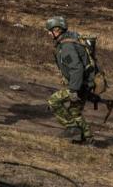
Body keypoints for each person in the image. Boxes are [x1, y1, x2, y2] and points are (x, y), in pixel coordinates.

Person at [45, 16, 94, 144]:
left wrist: (73, 90)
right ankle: (88, 139)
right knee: (74, 111)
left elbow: (76, 69)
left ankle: (71, 127)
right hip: (85, 83)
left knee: (53, 101)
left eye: (50, 30)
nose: (48, 33)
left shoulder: (67, 46)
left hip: (80, 85)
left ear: (57, 30)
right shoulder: (71, 39)